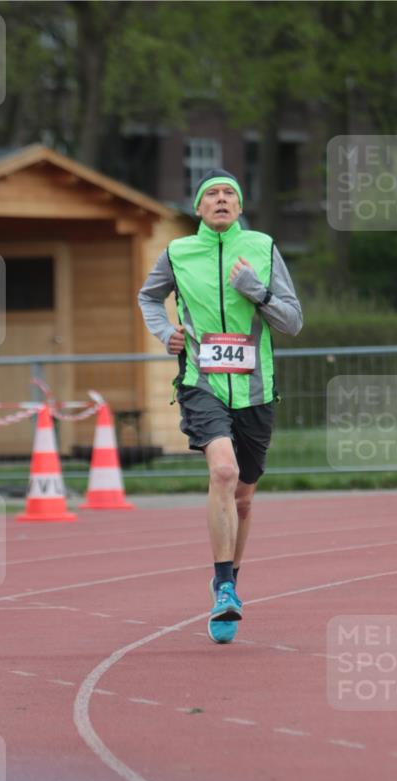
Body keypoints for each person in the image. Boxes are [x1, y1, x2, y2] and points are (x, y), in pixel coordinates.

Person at [138, 168, 302, 644]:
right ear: (198, 208)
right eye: (212, 194)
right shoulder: (178, 253)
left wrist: (257, 290)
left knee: (245, 498)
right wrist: (165, 332)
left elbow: (292, 322)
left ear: (241, 205)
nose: (222, 199)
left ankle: (229, 581)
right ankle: (224, 587)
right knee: (224, 473)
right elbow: (148, 297)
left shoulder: (264, 247)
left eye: (230, 192)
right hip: (201, 382)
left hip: (256, 389)